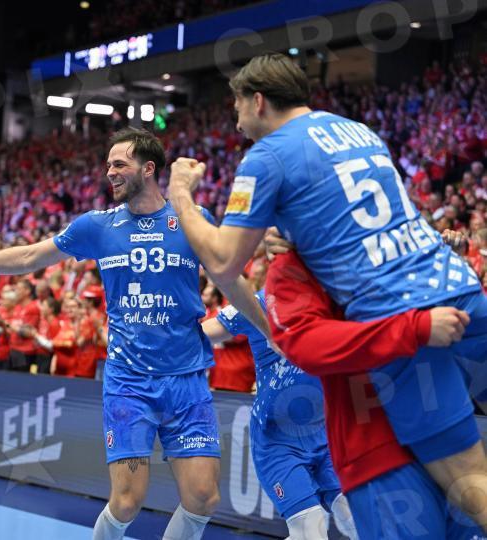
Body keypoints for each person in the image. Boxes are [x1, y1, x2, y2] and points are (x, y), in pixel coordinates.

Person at [167, 53, 487, 530]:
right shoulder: (359, 131)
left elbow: (223, 261)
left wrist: (180, 195)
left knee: (468, 485)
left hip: (404, 318)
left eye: (237, 107)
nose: (236, 121)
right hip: (460, 291)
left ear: (258, 101)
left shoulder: (266, 156)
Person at [0, 127, 270, 540]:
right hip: (129, 382)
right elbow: (30, 256)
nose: (110, 172)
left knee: (203, 498)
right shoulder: (97, 226)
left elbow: (230, 279)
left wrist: (270, 330)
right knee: (127, 501)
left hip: (186, 378)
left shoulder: (192, 221)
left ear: (148, 168)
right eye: (107, 165)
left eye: (119, 164)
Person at [264, 230, 483, 539]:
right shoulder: (293, 263)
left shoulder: (407, 234)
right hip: (376, 445)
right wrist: (415, 329)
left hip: (444, 423)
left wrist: (444, 261)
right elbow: (307, 347)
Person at [202, 291, 357, 539]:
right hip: (277, 442)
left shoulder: (339, 300)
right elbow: (202, 333)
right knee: (311, 530)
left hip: (327, 436)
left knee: (357, 520)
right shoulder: (258, 303)